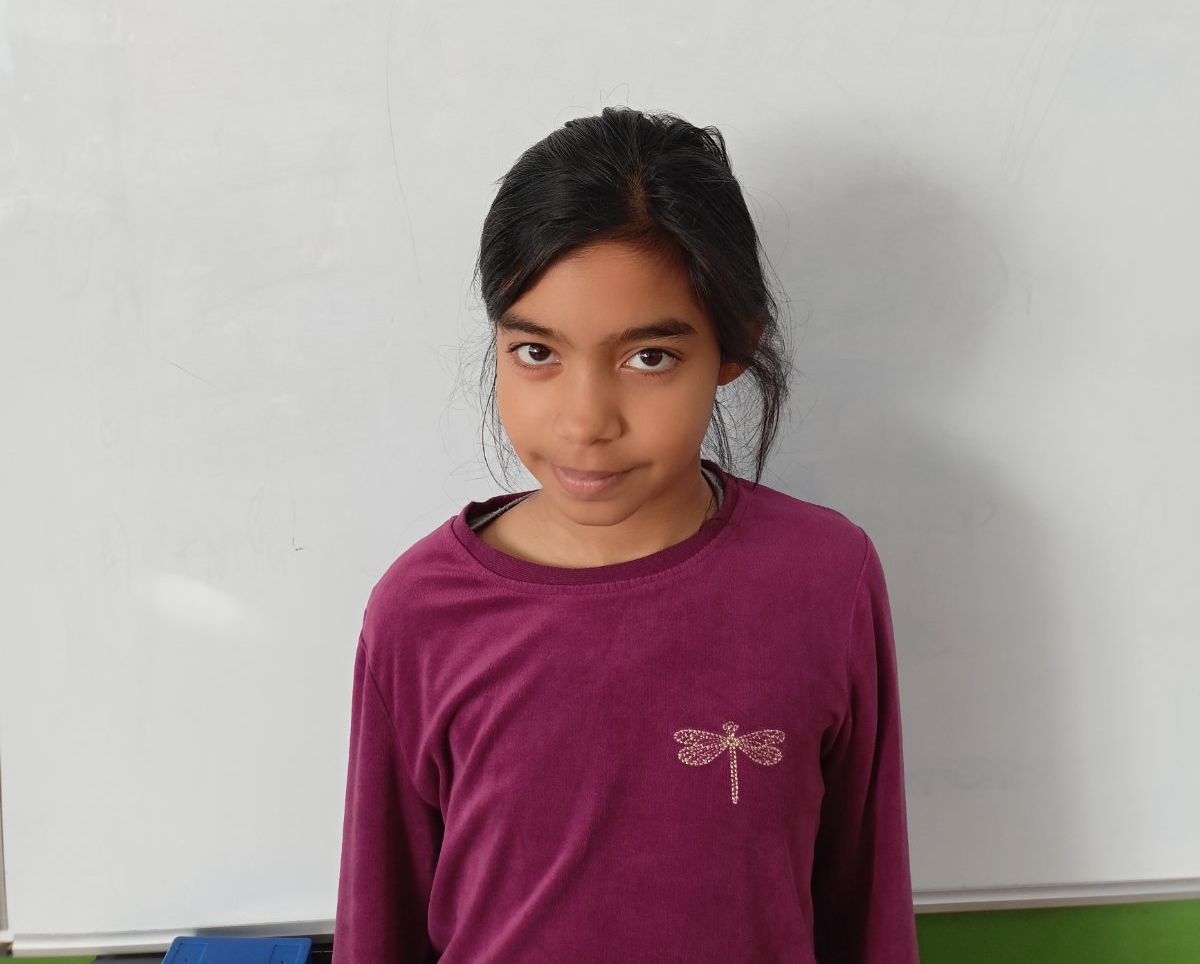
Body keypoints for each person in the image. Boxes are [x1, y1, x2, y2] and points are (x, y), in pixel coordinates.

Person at [332, 107, 919, 963]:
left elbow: (865, 911)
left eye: (649, 357)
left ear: (733, 346)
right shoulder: (420, 611)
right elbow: (378, 927)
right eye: (537, 353)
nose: (585, 422)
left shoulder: (825, 578)